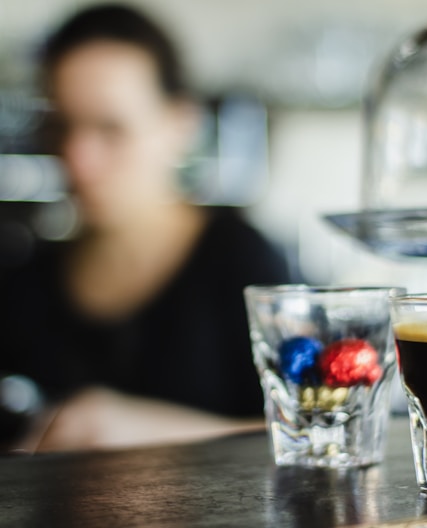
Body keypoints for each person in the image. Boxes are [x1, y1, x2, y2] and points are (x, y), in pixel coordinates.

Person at [0, 4, 290, 452]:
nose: (78, 159)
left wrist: (149, 432)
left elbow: (312, 434)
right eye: (60, 127)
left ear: (181, 124)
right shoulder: (25, 282)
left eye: (110, 128)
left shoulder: (242, 263)